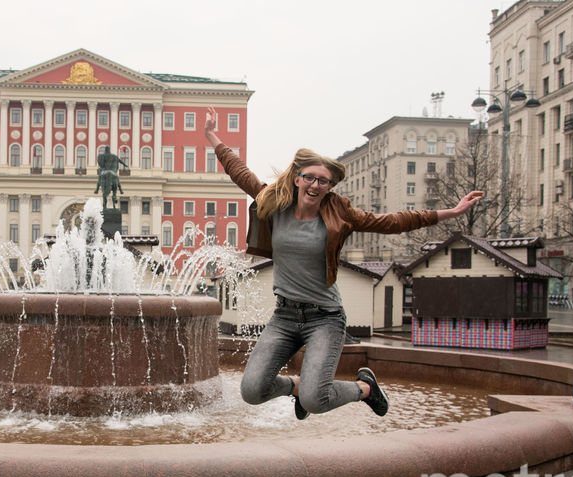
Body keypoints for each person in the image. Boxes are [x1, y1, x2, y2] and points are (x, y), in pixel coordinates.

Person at [203, 106, 482, 420]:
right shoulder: (275, 204)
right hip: (285, 316)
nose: (316, 185)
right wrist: (212, 135)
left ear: (330, 187)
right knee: (252, 391)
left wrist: (452, 213)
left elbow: (392, 221)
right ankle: (297, 386)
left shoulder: (339, 213)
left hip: (325, 319)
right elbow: (240, 172)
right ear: (297, 178)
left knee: (316, 400)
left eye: (324, 181)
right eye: (310, 177)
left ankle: (365, 388)